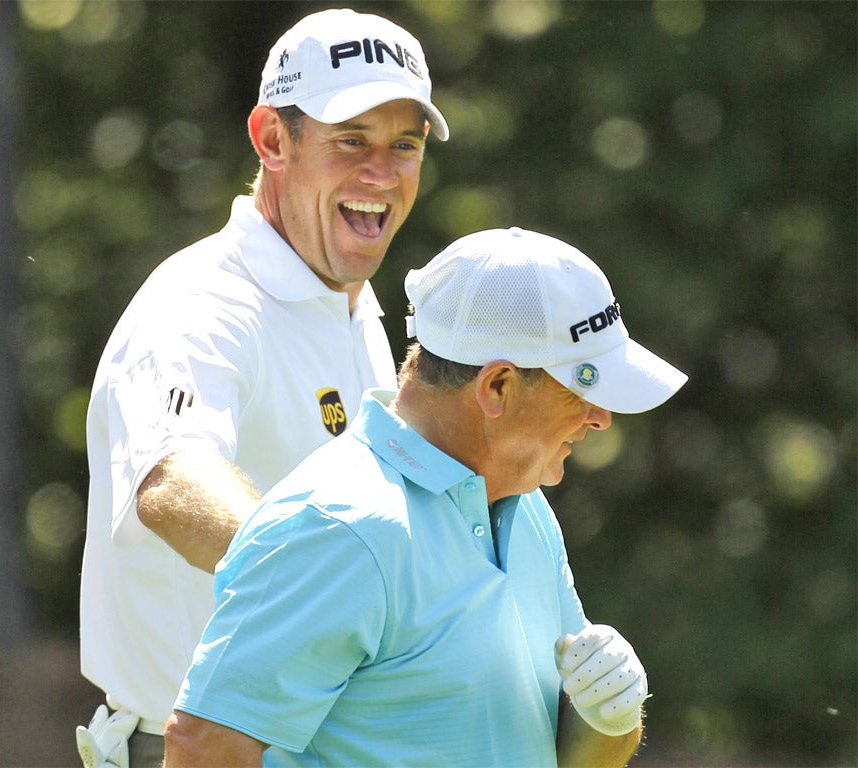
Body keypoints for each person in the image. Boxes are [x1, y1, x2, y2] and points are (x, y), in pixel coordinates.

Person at [76, 7, 450, 768]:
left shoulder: (354, 309)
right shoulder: (201, 305)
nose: (381, 173)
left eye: (403, 145)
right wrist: (334, 579)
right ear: (273, 141)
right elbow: (172, 481)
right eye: (351, 141)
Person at [164, 227, 689, 767]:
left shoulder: (525, 508)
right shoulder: (336, 526)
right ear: (497, 387)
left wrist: (610, 721)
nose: (600, 418)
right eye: (582, 389)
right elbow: (203, 745)